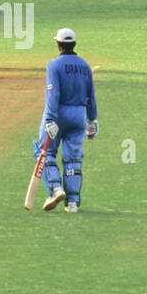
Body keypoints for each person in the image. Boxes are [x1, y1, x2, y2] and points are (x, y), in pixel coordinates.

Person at [34, 28, 97, 213]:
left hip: (59, 113)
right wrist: (92, 121)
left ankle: (55, 189)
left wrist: (50, 119)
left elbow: (53, 94)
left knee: (44, 152)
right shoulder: (85, 66)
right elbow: (90, 96)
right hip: (79, 116)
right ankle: (73, 203)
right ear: (74, 44)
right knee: (73, 159)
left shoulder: (54, 65)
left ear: (58, 44)